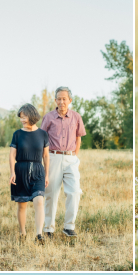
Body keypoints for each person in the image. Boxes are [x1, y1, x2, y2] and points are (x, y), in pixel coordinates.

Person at [41, 87, 85, 239]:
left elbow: (79, 137)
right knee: (51, 193)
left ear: (70, 100)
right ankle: (48, 228)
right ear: (55, 100)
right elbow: (42, 139)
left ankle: (69, 227)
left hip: (71, 158)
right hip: (53, 157)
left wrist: (74, 156)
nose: (61, 101)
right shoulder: (48, 117)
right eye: (58, 98)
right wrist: (45, 159)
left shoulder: (76, 117)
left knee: (74, 191)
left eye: (64, 98)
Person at [9, 104, 50, 244]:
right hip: (21, 170)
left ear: (32, 116)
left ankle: (39, 235)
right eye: (21, 117)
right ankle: (22, 232)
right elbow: (11, 155)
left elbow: (46, 156)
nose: (22, 120)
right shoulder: (17, 134)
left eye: (24, 117)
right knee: (22, 204)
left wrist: (47, 175)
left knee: (39, 201)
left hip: (38, 170)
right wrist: (12, 172)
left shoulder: (43, 134)